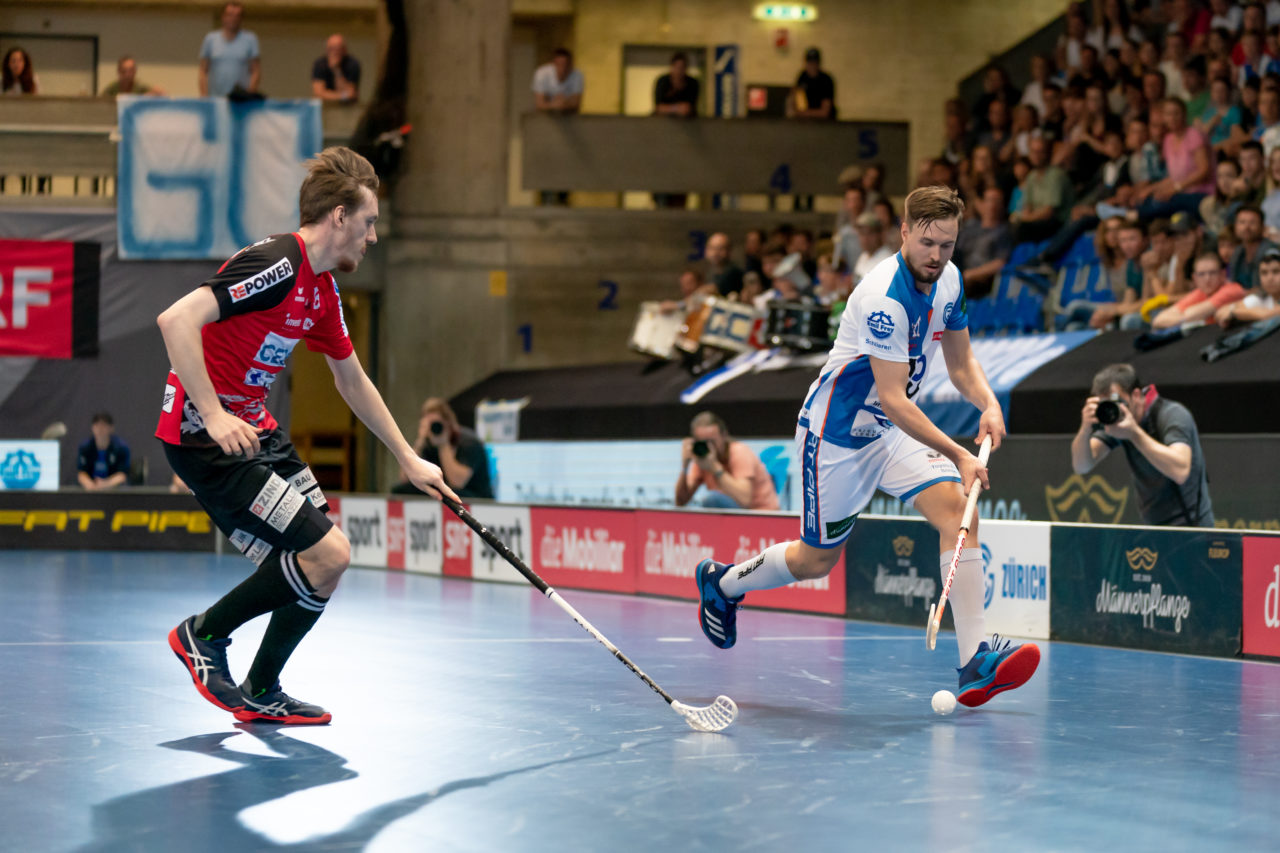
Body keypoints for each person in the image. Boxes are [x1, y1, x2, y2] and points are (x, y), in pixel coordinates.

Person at [693, 185, 1040, 709]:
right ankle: (723, 582)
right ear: (904, 231)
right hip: (836, 436)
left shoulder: (949, 281)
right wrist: (959, 453)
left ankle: (975, 664)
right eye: (927, 242)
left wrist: (988, 403)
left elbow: (962, 365)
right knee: (815, 562)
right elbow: (894, 398)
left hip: (890, 433)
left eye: (948, 244)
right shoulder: (885, 296)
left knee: (958, 514)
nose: (936, 255)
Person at [158, 147, 457, 725]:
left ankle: (263, 688)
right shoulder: (277, 262)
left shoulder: (321, 291)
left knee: (324, 562)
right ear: (339, 217)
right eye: (369, 222)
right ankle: (203, 635)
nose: (372, 238)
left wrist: (409, 457)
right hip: (207, 438)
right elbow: (177, 320)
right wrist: (215, 414)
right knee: (328, 552)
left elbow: (351, 378)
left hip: (258, 432)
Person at [1072, 363, 1214, 527]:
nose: (1113, 409)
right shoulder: (1117, 421)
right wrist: (1084, 430)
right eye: (1105, 404)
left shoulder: (1172, 415)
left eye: (1118, 401)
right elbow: (1082, 466)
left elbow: (1180, 471)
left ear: (1136, 395)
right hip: (1153, 528)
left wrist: (1134, 434)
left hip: (1192, 528)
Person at [674, 411, 779, 511]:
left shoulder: (739, 451)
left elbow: (745, 499)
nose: (708, 447)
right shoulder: (702, 458)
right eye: (702, 443)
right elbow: (680, 503)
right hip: (736, 516)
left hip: (762, 515)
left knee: (712, 500)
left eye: (712, 441)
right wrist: (685, 467)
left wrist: (714, 468)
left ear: (724, 436)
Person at [393, 398, 493, 500]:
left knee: (450, 493)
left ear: (449, 423)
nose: (435, 428)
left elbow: (457, 483)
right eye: (430, 425)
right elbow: (405, 478)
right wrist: (420, 440)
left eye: (437, 424)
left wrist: (443, 445)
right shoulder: (428, 443)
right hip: (443, 496)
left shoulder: (469, 442)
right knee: (400, 490)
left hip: (476, 500)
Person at [532, 47, 583, 206]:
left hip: (568, 129)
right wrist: (556, 105)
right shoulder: (542, 74)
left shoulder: (577, 76)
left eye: (566, 65)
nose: (562, 69)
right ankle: (546, 194)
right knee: (546, 160)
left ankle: (563, 196)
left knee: (567, 160)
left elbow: (576, 104)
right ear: (553, 64)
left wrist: (561, 104)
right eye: (559, 65)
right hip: (547, 128)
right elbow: (540, 104)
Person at [1151, 251, 1248, 328]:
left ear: (1223, 274)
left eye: (1212, 273)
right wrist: (1187, 318)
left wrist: (1186, 317)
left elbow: (1191, 314)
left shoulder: (1232, 290)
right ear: (1194, 278)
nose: (1207, 279)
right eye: (1202, 274)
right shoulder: (1200, 292)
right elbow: (1158, 320)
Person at [955, 186, 1012, 299]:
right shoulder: (971, 226)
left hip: (979, 281)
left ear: (1002, 206)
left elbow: (1000, 262)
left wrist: (970, 275)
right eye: (989, 200)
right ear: (982, 204)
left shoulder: (1003, 232)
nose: (992, 205)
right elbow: (956, 251)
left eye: (997, 201)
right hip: (959, 272)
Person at [198, 2, 261, 97]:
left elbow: (256, 71)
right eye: (230, 15)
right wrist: (204, 97)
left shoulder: (250, 39)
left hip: (241, 102)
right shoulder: (210, 39)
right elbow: (203, 71)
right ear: (223, 17)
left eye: (237, 16)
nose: (233, 19)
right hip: (216, 99)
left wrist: (249, 95)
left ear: (241, 19)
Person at [1219, 245, 1280, 325]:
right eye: (1264, 273)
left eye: (1276, 271)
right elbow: (1221, 312)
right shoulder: (1263, 297)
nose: (1270, 278)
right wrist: (1233, 311)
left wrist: (1234, 313)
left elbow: (1267, 315)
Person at [76, 413, 131, 491]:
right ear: (92, 428)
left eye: (104, 426)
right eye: (97, 426)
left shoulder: (121, 448)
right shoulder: (85, 447)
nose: (100, 429)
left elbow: (122, 475)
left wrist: (106, 484)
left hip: (114, 490)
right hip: (91, 490)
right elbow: (81, 473)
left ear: (111, 428)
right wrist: (90, 485)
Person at [311, 34, 360, 102]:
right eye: (331, 49)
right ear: (326, 50)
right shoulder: (320, 64)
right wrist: (343, 96)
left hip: (347, 109)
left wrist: (336, 69)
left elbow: (350, 94)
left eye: (338, 49)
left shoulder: (352, 64)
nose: (335, 52)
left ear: (344, 50)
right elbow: (318, 94)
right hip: (325, 108)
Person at [852, 211, 892, 282]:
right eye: (861, 233)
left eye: (869, 233)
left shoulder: (887, 261)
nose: (865, 238)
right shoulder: (863, 256)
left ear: (879, 234)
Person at [703, 232, 744, 297]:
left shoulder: (733, 272)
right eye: (712, 248)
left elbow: (712, 289)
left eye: (720, 248)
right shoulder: (711, 273)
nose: (715, 253)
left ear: (729, 251)